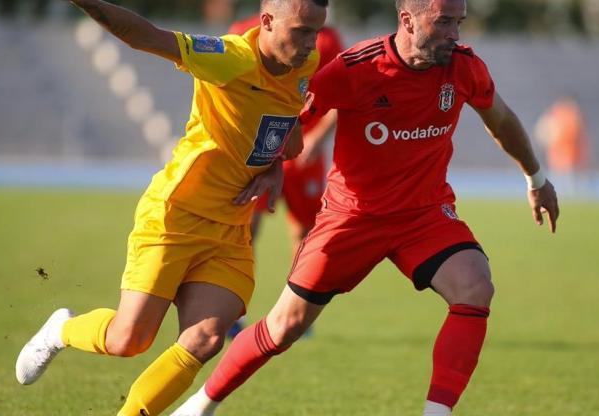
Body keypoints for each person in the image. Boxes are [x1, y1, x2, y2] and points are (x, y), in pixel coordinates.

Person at [172, 0, 559, 415]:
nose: (455, 34)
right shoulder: (356, 69)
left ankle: (436, 413)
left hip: (423, 215)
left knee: (475, 286)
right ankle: (200, 405)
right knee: (284, 326)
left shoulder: (464, 67)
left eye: (458, 23)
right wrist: (273, 166)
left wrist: (536, 178)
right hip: (351, 218)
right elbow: (287, 115)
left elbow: (500, 119)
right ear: (408, 20)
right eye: (444, 22)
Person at [14, 0, 327, 415]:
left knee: (206, 338)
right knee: (129, 340)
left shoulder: (306, 62)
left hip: (230, 227)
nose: (311, 43)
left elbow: (282, 120)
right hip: (176, 216)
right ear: (267, 21)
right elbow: (145, 37)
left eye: (315, 31)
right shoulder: (230, 58)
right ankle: (62, 329)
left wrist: (275, 170)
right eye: (301, 31)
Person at [225, 4, 343, 339]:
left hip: (303, 152)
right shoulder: (243, 32)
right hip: (260, 149)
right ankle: (232, 310)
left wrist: (319, 136)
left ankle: (294, 311)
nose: (309, 39)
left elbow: (346, 89)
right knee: (247, 226)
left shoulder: (327, 38)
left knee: (305, 231)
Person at [535, 95, 590, 194]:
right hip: (559, 152)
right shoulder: (556, 114)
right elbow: (543, 130)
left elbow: (577, 132)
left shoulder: (574, 114)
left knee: (572, 180)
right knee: (560, 179)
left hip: (571, 153)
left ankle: (575, 197)